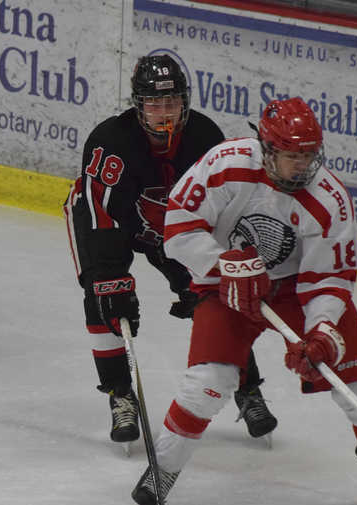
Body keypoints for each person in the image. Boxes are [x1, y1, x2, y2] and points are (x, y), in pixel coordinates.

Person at [131, 97, 357, 505]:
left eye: (309, 155)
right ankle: (163, 469)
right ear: (267, 148)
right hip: (229, 288)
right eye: (293, 155)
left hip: (296, 290)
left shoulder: (329, 200)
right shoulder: (225, 165)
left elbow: (328, 279)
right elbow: (179, 229)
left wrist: (322, 332)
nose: (303, 164)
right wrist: (225, 263)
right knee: (209, 382)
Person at [64, 54, 277, 446]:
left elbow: (220, 210)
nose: (164, 112)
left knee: (218, 297)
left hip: (178, 231)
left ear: (185, 101)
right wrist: (110, 277)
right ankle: (119, 394)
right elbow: (98, 212)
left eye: (172, 102)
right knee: (105, 299)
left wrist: (208, 268)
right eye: (154, 103)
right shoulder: (111, 142)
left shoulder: (204, 138)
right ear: (138, 104)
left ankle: (248, 388)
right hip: (114, 224)